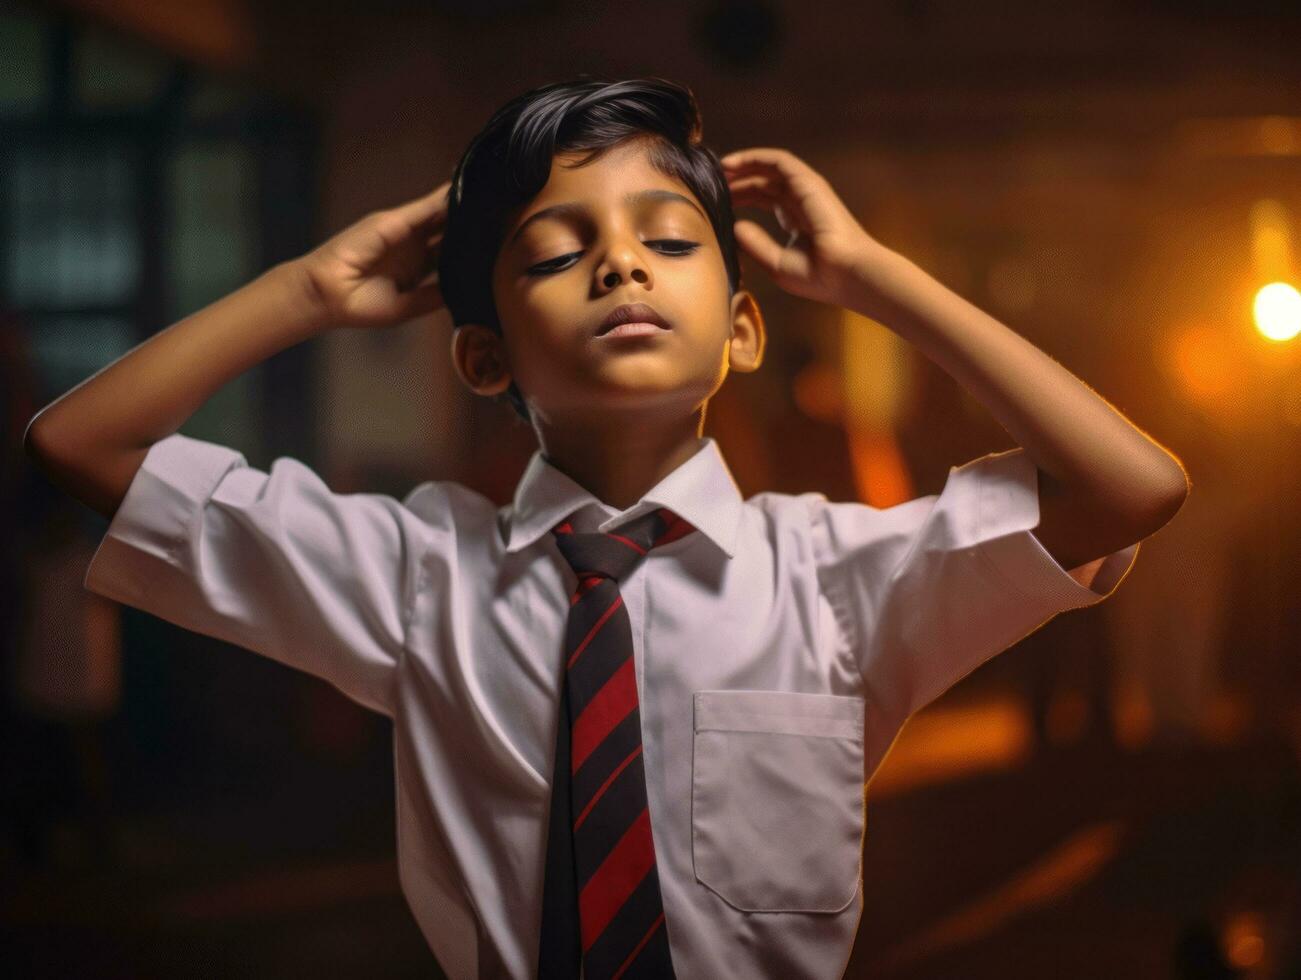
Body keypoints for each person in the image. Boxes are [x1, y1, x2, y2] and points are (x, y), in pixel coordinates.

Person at [24, 76, 1188, 979]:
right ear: (482, 356)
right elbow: (80, 446)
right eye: (555, 249)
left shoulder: (834, 577)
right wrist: (312, 290)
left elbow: (1129, 485)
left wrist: (870, 276)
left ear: (742, 329)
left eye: (669, 239)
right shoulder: (417, 573)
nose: (621, 259)